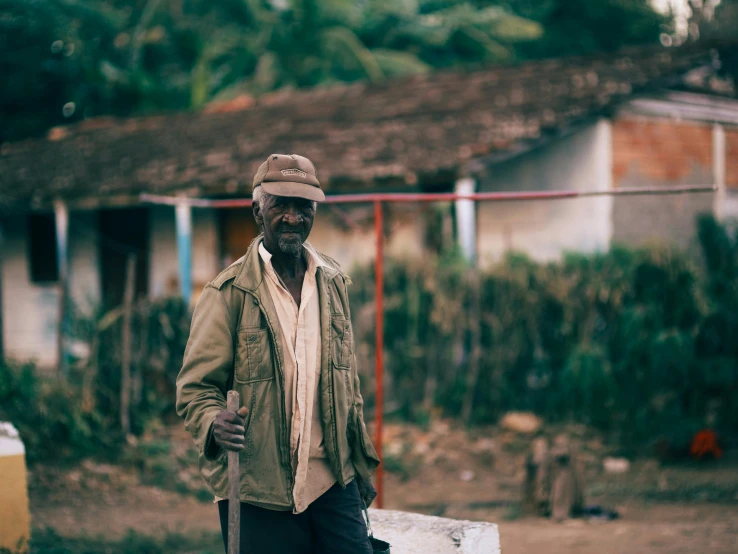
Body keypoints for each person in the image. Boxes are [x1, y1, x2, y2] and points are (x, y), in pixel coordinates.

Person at [176, 154, 380, 554]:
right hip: (258, 488)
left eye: (303, 206)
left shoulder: (333, 282)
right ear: (258, 210)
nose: (292, 217)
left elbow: (347, 385)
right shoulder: (228, 293)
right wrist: (213, 422)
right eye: (280, 205)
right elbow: (196, 389)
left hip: (331, 479)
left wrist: (358, 466)